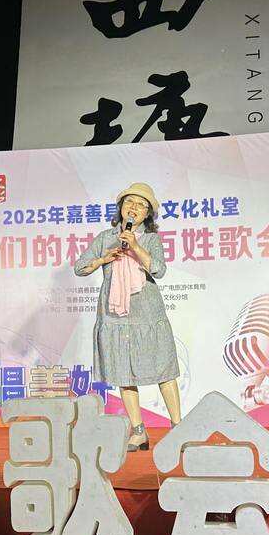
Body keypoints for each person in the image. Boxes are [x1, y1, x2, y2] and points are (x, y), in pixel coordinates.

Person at [73, 182, 182, 450]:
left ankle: (179, 428)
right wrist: (104, 259)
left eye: (141, 205)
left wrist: (136, 246)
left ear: (147, 214)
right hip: (116, 318)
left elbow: (159, 270)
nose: (134, 208)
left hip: (148, 317)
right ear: (121, 207)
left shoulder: (151, 239)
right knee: (124, 374)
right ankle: (138, 431)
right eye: (130, 202)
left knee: (164, 370)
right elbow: (80, 268)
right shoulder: (105, 238)